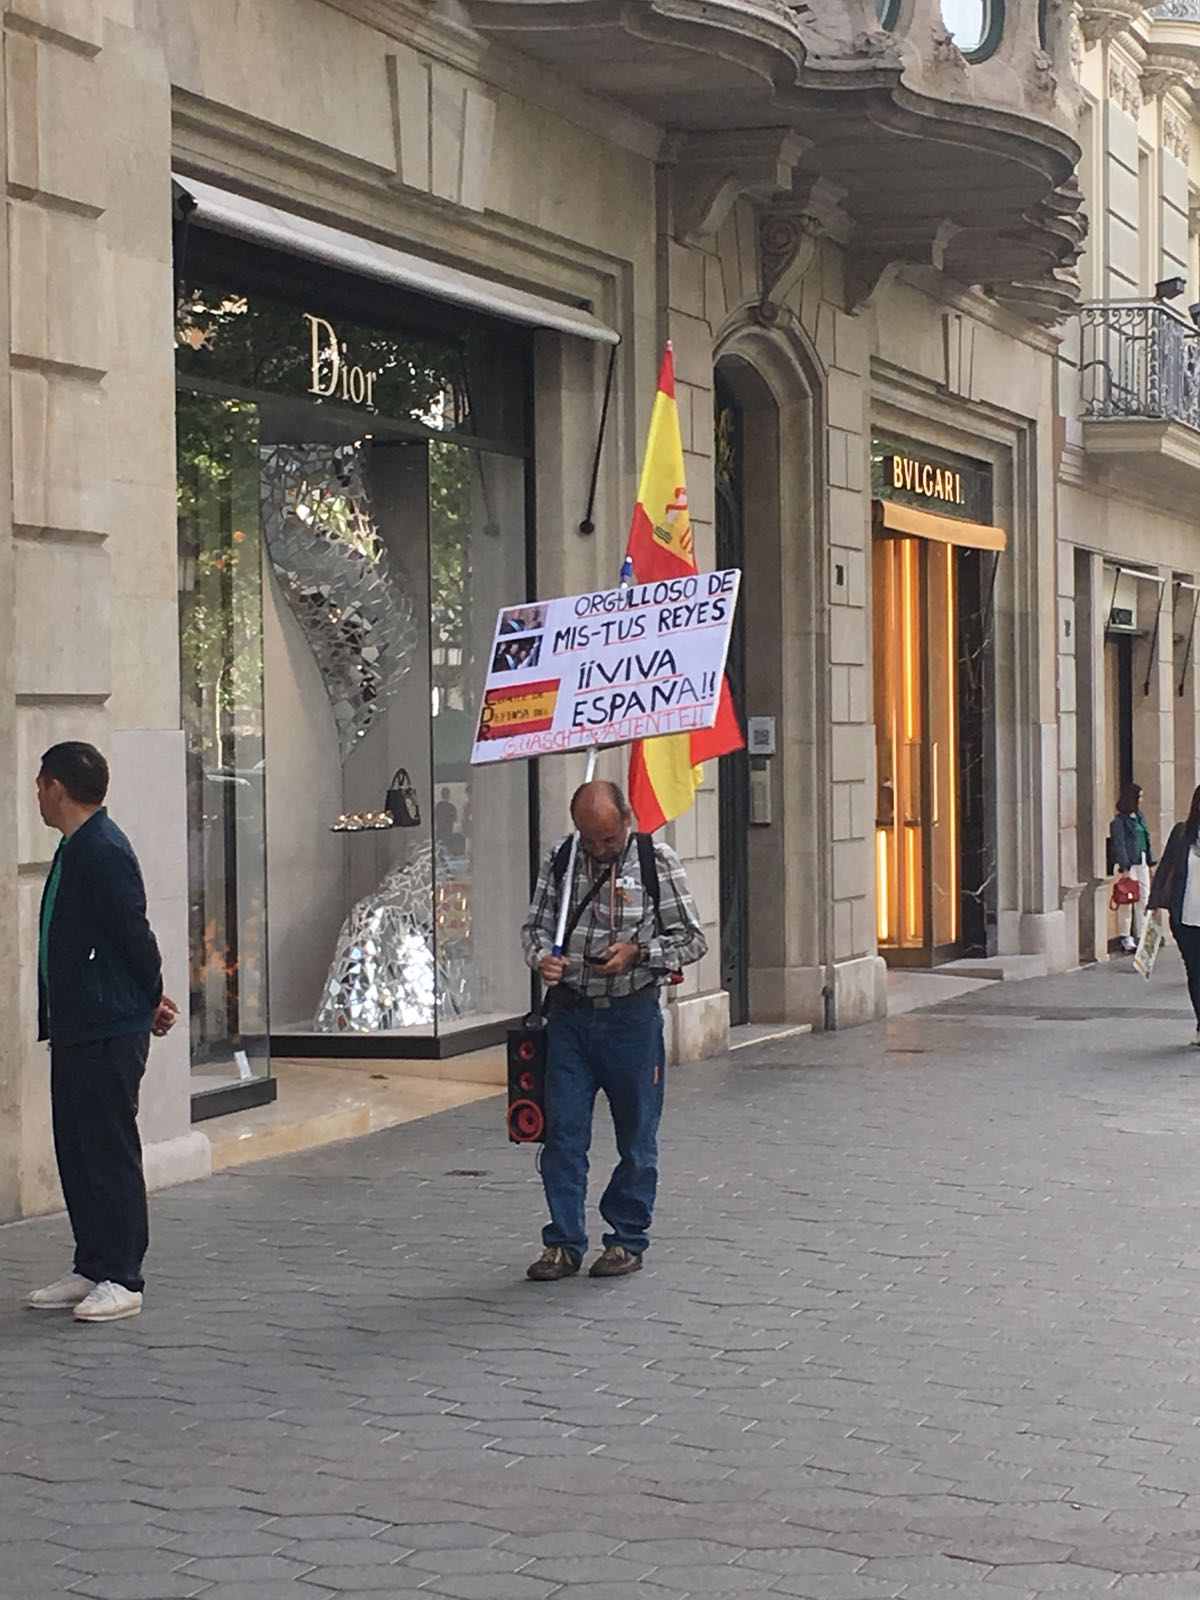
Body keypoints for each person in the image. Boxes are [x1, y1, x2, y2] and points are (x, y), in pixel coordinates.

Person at [520, 779, 707, 1282]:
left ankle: (625, 1238)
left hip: (631, 1018)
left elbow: (691, 939)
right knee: (562, 1134)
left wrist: (639, 954)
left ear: (626, 821)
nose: (600, 850)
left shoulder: (655, 861)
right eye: (590, 839)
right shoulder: (561, 860)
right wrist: (543, 959)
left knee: (637, 1138)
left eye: (608, 839)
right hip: (571, 1017)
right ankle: (563, 1240)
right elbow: (534, 928)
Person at [29, 743, 178, 1323]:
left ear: (59, 787)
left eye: (40, 784)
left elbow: (132, 934)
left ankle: (122, 1274)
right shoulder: (76, 847)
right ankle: (91, 1263)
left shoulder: (104, 850)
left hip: (108, 1025)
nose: (37, 795)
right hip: (77, 1025)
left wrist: (151, 999)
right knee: (78, 1147)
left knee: (109, 1149)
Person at [1150, 784, 1200, 1045]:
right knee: (1195, 972)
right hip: (1186, 919)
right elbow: (1166, 867)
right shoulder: (1182, 834)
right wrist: (1153, 902)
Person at [1110, 781, 1155, 953]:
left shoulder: (1140, 817)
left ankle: (1143, 934)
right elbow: (1119, 844)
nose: (1141, 800)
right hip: (1129, 864)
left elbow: (1146, 839)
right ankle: (1125, 936)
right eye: (1140, 797)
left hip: (1142, 860)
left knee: (1144, 897)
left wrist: (1150, 862)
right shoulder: (1119, 822)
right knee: (1127, 899)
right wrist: (1124, 866)